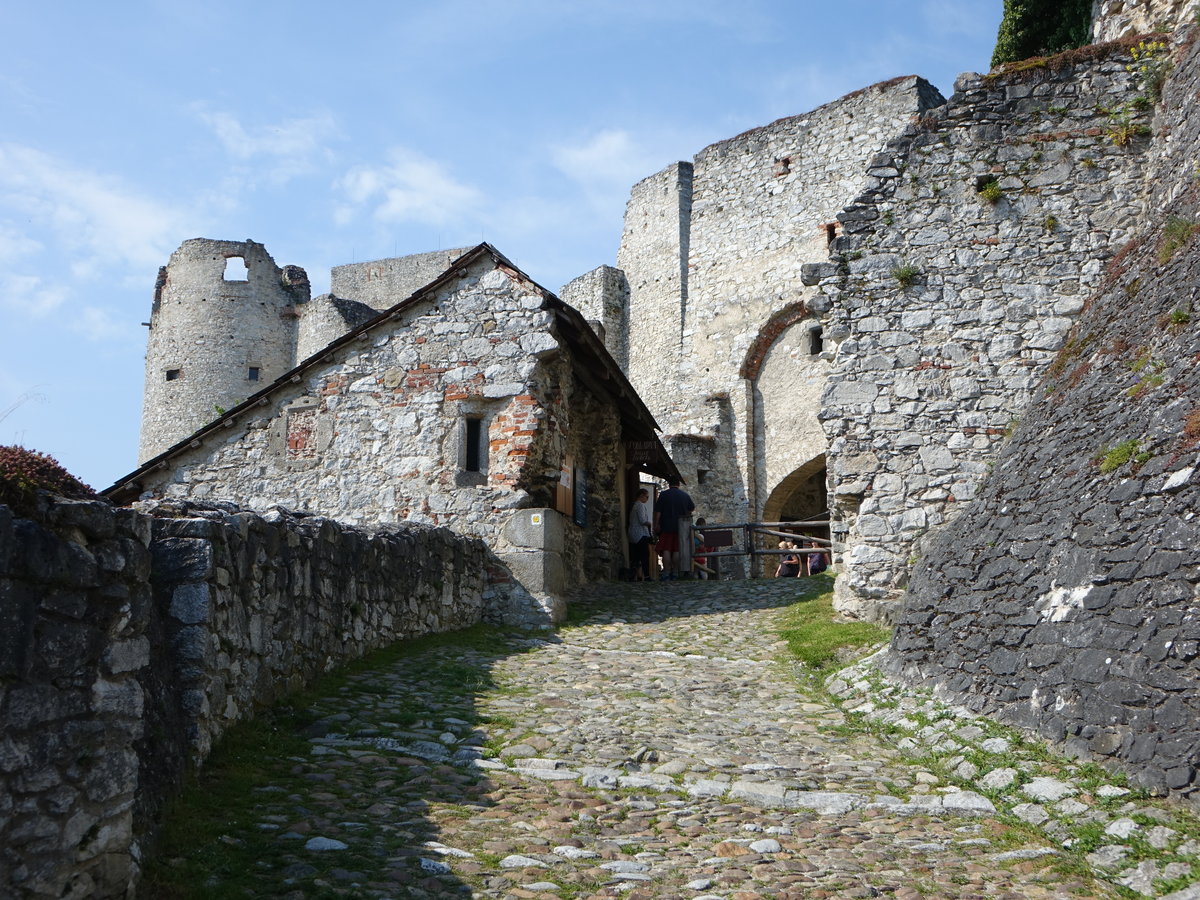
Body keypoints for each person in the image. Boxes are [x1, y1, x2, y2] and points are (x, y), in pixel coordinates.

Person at [653, 475, 695, 580]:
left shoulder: (663, 495)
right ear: (678, 484)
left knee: (666, 549)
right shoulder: (685, 496)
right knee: (677, 549)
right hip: (680, 527)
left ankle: (666, 572)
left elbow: (658, 512)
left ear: (669, 484)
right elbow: (691, 508)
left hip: (666, 525)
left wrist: (656, 524)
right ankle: (675, 572)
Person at [627, 488, 653, 581]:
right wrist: (649, 523)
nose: (647, 499)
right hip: (640, 534)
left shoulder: (634, 505)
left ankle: (637, 576)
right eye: (647, 497)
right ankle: (646, 576)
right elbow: (642, 520)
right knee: (645, 556)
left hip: (633, 534)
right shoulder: (640, 505)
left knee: (636, 557)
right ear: (641, 495)